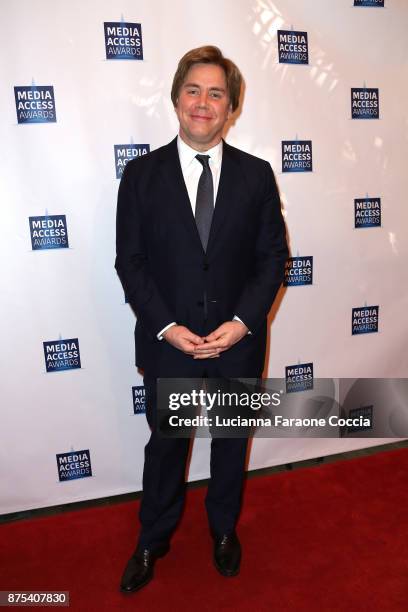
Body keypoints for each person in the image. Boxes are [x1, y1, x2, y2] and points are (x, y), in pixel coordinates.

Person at [115, 45, 288, 593]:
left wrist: (242, 322)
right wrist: (168, 328)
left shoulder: (257, 176)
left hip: (236, 342)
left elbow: (272, 260)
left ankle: (222, 531)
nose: (203, 102)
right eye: (194, 89)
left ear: (231, 107)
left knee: (232, 443)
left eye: (217, 93)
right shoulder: (140, 176)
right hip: (171, 345)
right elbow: (131, 262)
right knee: (166, 445)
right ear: (176, 98)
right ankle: (152, 537)